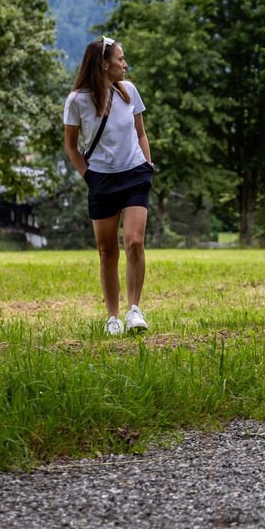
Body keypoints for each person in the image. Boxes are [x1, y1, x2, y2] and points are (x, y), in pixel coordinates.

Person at [64, 36, 155, 336]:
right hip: (101, 180)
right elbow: (72, 146)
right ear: (104, 64)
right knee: (107, 253)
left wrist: (147, 166)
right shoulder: (77, 101)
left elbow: (141, 134)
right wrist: (89, 176)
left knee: (134, 242)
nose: (125, 64)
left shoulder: (129, 92)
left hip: (134, 175)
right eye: (120, 59)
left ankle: (134, 310)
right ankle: (113, 317)